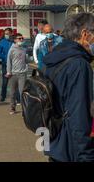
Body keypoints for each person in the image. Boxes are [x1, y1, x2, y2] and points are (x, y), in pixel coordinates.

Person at [42, 13, 94, 162]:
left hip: (53, 140)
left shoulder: (54, 57)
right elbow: (79, 114)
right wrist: (86, 155)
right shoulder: (79, 65)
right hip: (71, 148)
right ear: (85, 34)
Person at [6, 33, 28, 115]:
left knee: (22, 92)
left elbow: (26, 60)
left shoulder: (23, 49)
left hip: (22, 74)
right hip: (13, 74)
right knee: (13, 92)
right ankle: (12, 108)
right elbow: (8, 61)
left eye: (22, 38)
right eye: (19, 38)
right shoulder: (11, 49)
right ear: (15, 40)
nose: (21, 40)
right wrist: (8, 72)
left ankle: (24, 110)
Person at [0, 28, 14, 102]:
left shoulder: (14, 42)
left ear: (11, 33)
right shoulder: (2, 42)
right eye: (5, 34)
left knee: (15, 82)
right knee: (5, 82)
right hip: (5, 64)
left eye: (8, 33)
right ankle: (3, 97)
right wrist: (6, 57)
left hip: (14, 65)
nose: (6, 35)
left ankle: (17, 98)